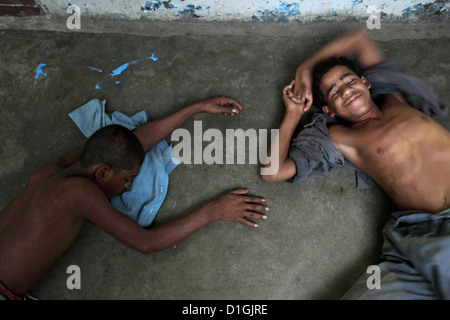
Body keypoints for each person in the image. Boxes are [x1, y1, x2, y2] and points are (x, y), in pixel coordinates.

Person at [0, 96, 269, 300]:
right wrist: (214, 210)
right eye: (127, 178)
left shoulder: (56, 169)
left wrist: (195, 108)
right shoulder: (78, 193)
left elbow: (127, 145)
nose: (128, 186)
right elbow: (145, 242)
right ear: (103, 173)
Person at [262, 30, 450, 299]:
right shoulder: (341, 138)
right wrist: (293, 114)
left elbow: (360, 39)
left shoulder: (394, 97)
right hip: (417, 236)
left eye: (348, 80)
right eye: (334, 92)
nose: (346, 90)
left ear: (365, 82)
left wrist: (305, 67)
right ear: (328, 110)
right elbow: (272, 172)